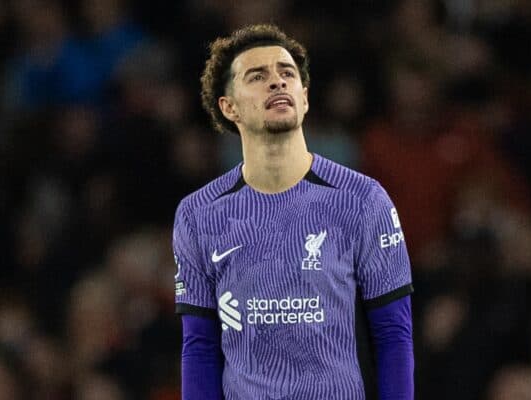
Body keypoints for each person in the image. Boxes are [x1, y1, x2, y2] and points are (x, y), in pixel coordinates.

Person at [173, 24, 414, 400]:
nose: (277, 82)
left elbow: (394, 333)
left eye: (287, 74)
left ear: (304, 97)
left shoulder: (363, 200)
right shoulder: (198, 215)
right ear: (228, 106)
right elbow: (200, 347)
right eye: (258, 76)